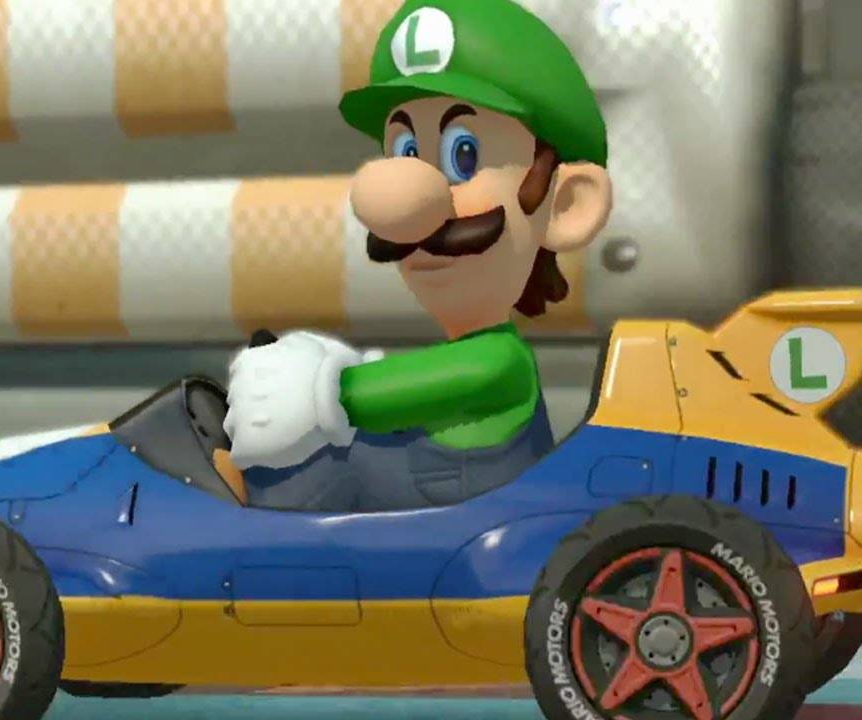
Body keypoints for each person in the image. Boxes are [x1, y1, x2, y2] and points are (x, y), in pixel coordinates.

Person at [219, 0, 612, 511]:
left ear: (564, 205)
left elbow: (376, 398)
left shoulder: (500, 362)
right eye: (405, 151)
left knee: (315, 469)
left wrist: (319, 389)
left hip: (468, 497)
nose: (407, 202)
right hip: (442, 479)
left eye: (463, 156)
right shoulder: (472, 353)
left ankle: (238, 518)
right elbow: (409, 395)